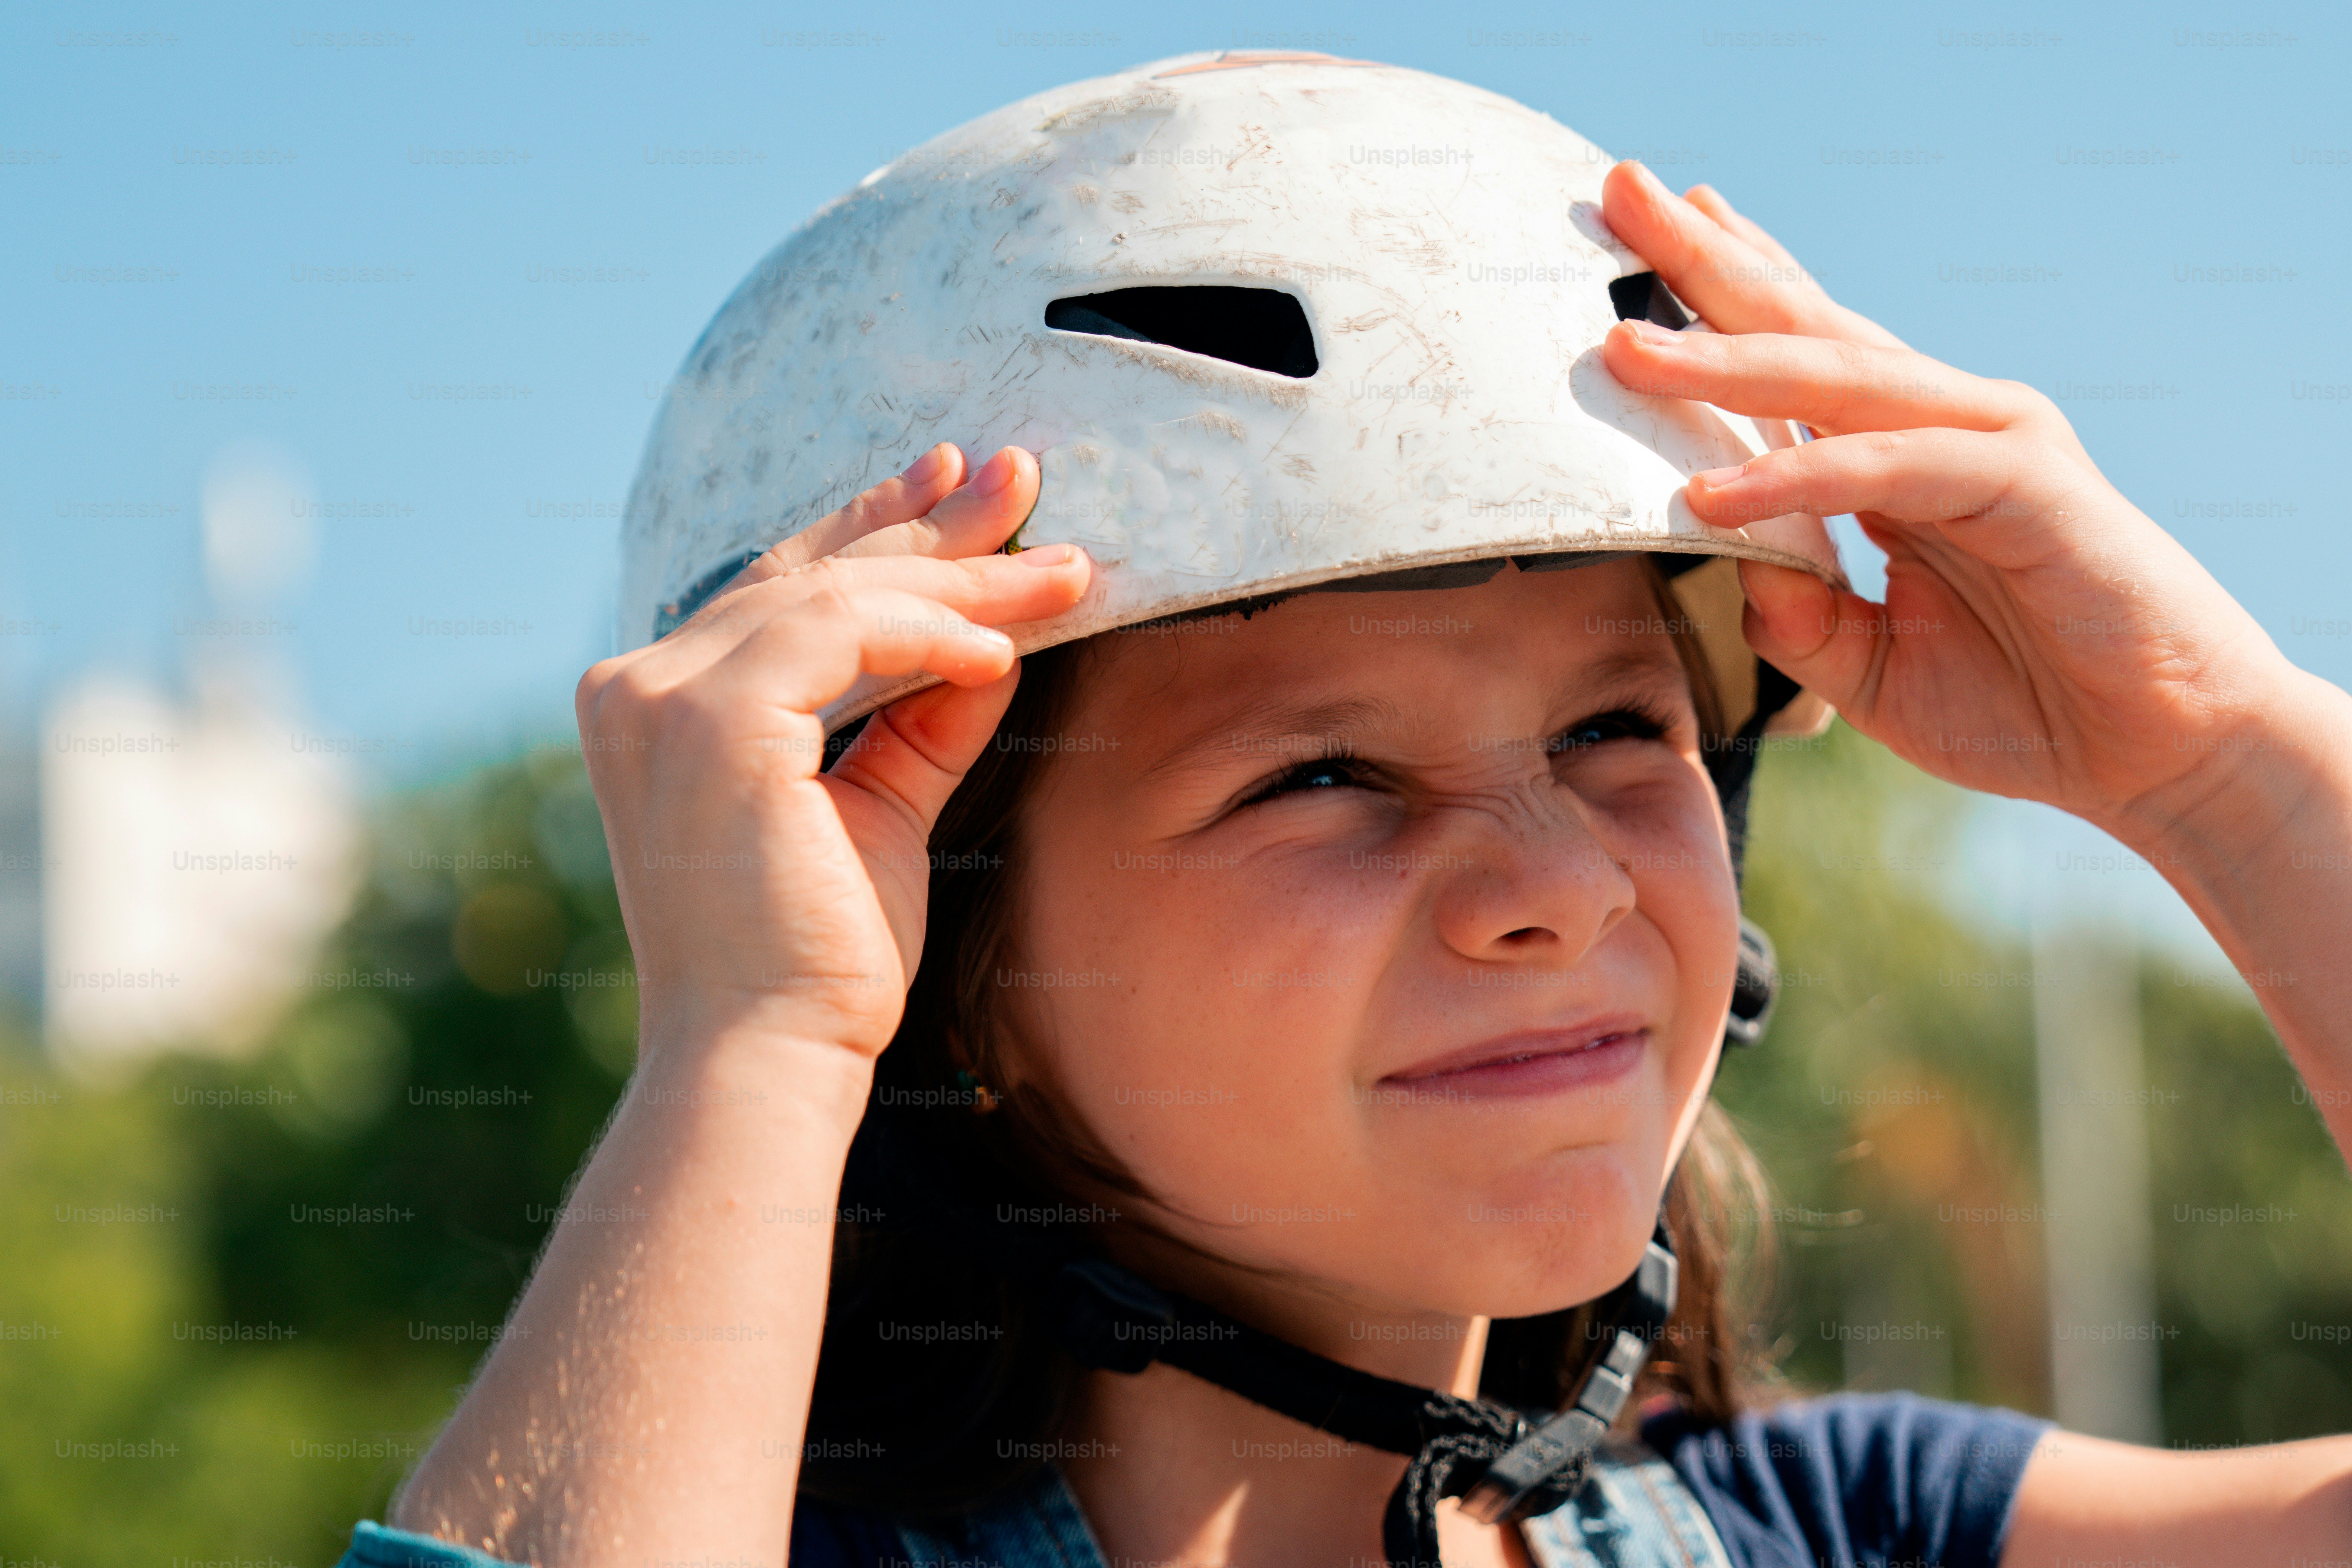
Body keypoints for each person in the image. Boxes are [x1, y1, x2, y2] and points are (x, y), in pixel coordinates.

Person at [339, 53, 2352, 1568]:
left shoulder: (1842, 1530)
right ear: (930, 951)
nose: (1557, 889)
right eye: (1323, 777)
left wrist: (2224, 762)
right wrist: (753, 1039)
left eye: (1617, 734)